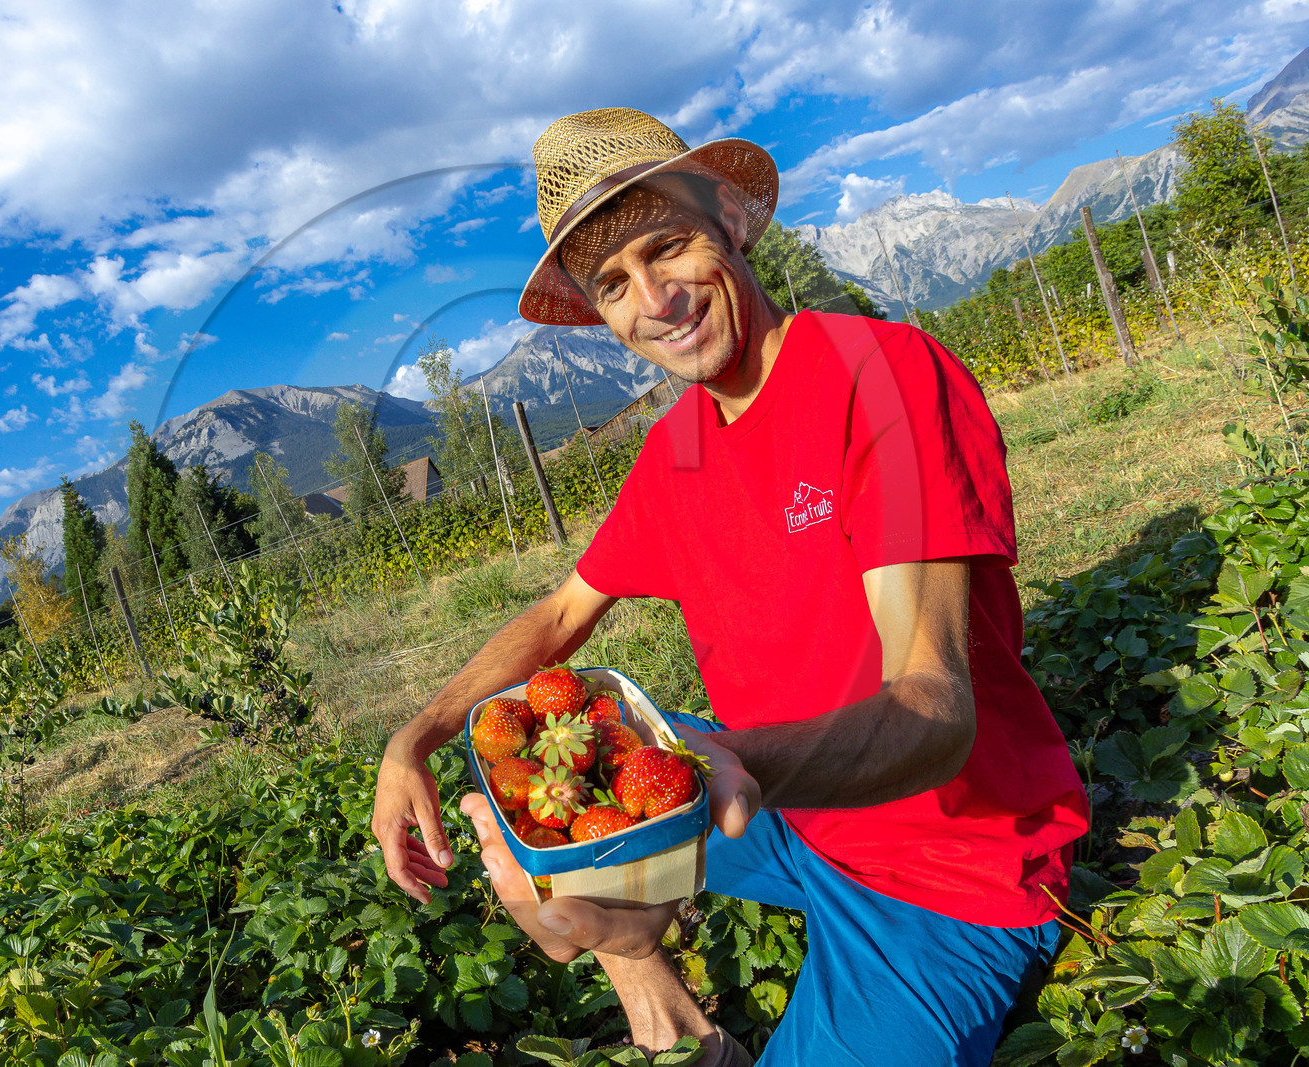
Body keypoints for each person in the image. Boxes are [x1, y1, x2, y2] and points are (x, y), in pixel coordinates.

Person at [371, 107, 1089, 1066]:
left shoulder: (881, 379)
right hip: (781, 806)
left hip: (948, 866)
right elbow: (560, 614)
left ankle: (653, 932)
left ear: (730, 218)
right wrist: (415, 736)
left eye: (669, 247)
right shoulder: (677, 450)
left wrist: (723, 767)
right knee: (542, 800)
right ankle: (669, 1015)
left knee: (596, 818)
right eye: (613, 285)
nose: (656, 300)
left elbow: (935, 709)